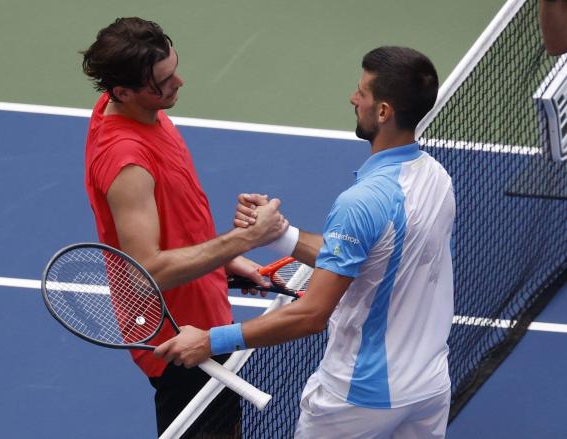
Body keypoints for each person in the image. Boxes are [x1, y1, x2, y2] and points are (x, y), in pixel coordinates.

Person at [155, 46, 456, 439]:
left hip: (359, 398)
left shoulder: (361, 203)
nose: (353, 98)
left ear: (383, 112)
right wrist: (280, 234)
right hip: (428, 386)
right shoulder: (437, 179)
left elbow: (312, 314)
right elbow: (376, 260)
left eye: (361, 92)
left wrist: (211, 340)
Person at [81, 17, 287, 436]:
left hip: (203, 310)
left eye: (173, 68)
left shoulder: (141, 112)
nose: (180, 82)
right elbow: (147, 274)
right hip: (181, 339)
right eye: (163, 80)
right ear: (123, 91)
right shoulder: (128, 162)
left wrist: (225, 262)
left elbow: (175, 222)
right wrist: (245, 238)